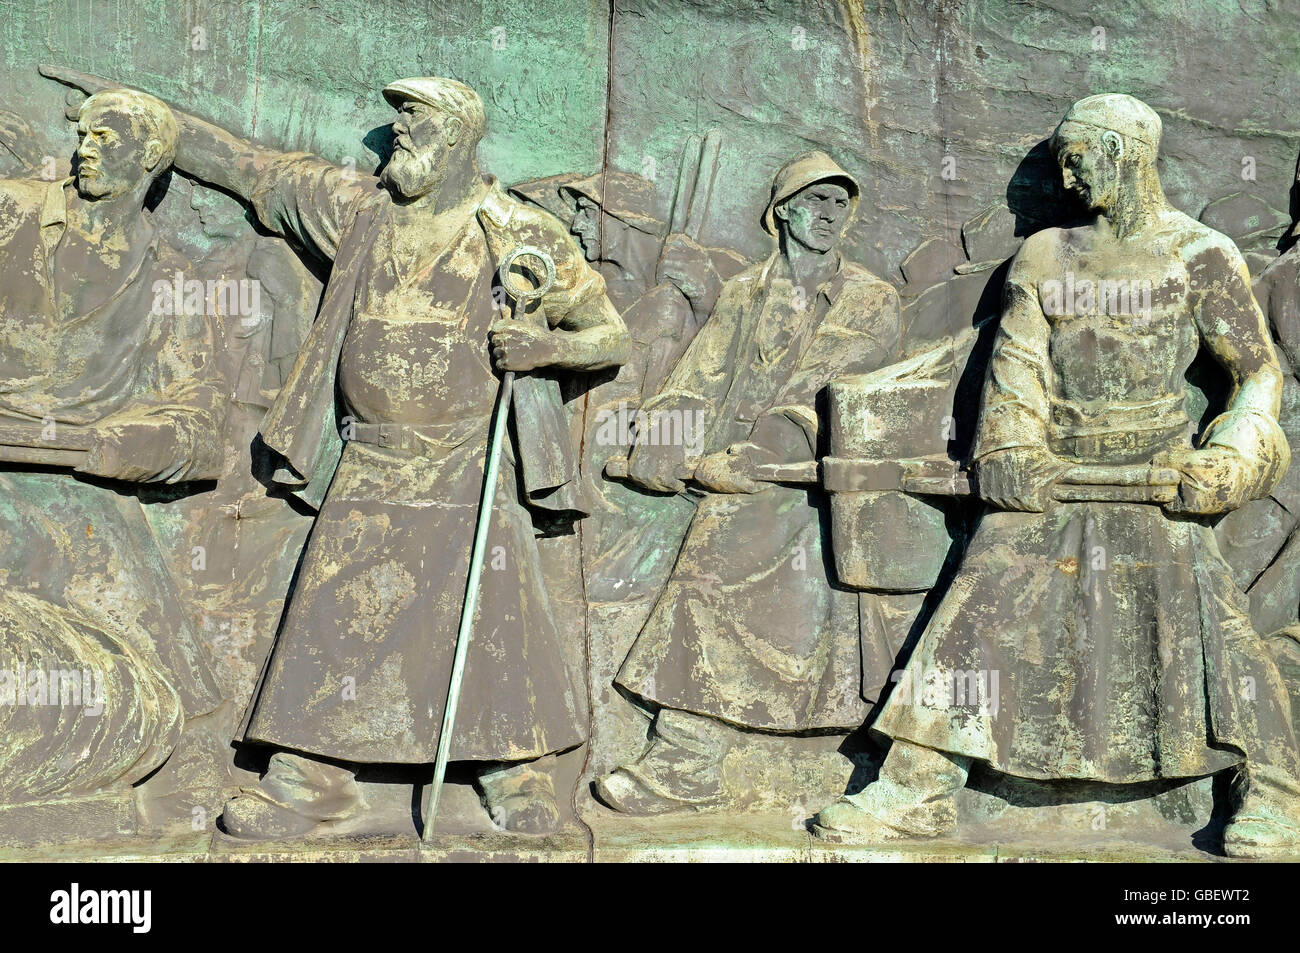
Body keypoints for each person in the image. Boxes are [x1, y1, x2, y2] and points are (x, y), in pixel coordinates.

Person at [40, 67, 629, 837]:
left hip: (467, 461)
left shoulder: (517, 232)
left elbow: (608, 332)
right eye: (397, 123)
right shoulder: (360, 214)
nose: (397, 136)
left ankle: (512, 770)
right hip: (370, 455)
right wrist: (165, 124)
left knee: (489, 612)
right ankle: (311, 774)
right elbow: (256, 171)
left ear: (454, 136)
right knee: (337, 610)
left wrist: (544, 345)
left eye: (413, 123)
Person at [812, 95, 1300, 859]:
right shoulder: (1044, 255)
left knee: (1216, 623)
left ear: (1125, 153)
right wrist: (1007, 449)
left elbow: (1258, 371)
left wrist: (1235, 454)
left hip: (1161, 481)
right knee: (978, 605)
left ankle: (1275, 789)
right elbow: (1018, 366)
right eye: (1062, 159)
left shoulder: (1199, 254)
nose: (1068, 175)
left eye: (1079, 156)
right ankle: (918, 782)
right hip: (1055, 475)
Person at [596, 151, 904, 813]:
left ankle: (686, 759)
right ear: (782, 210)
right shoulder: (747, 290)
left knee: (710, 570)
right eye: (816, 201)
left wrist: (750, 457)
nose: (829, 216)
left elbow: (829, 385)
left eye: (840, 205)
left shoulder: (870, 297)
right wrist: (665, 450)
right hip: (733, 466)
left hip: (807, 471)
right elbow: (698, 382)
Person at [0, 87, 224, 805]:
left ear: (153, 158)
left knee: (163, 702)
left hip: (81, 488)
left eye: (109, 136)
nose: (86, 148)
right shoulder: (10, 213)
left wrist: (126, 444)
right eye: (84, 134)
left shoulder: (170, 278)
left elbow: (199, 427)